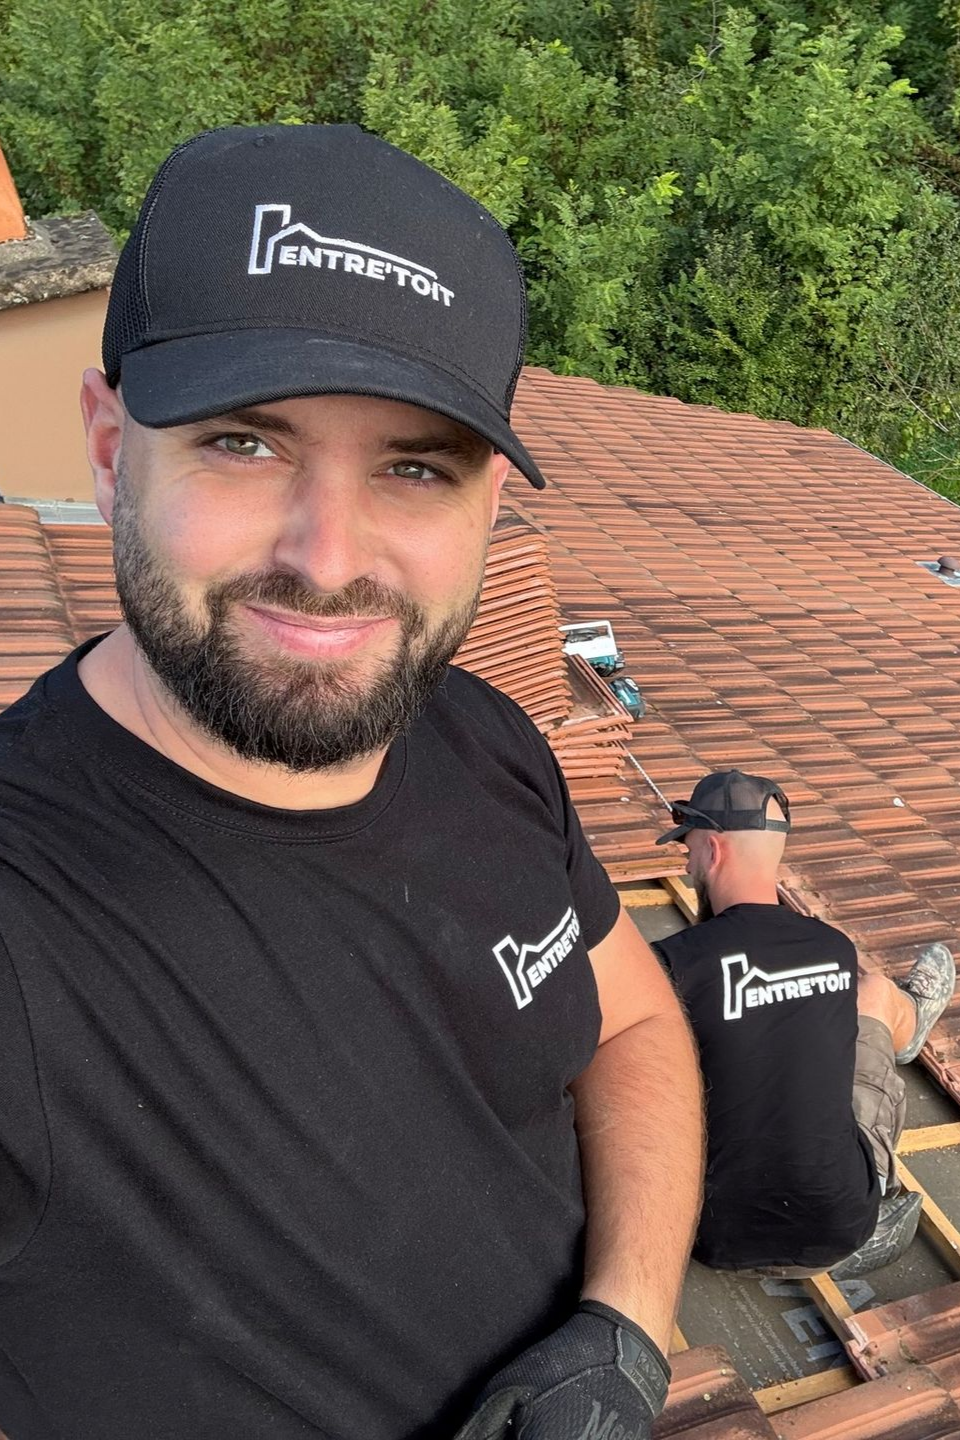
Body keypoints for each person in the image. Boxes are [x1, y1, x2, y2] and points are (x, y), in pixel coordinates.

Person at [0, 125, 703, 1440]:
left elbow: (635, 1030)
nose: (328, 559)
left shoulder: (487, 738)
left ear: (490, 496)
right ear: (108, 451)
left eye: (413, 466)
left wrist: (626, 1329)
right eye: (242, 444)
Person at [653, 769, 955, 1279]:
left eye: (687, 847)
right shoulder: (831, 949)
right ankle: (910, 1022)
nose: (684, 862)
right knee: (874, 996)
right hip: (841, 1230)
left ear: (712, 848)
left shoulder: (668, 964)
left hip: (707, 1237)